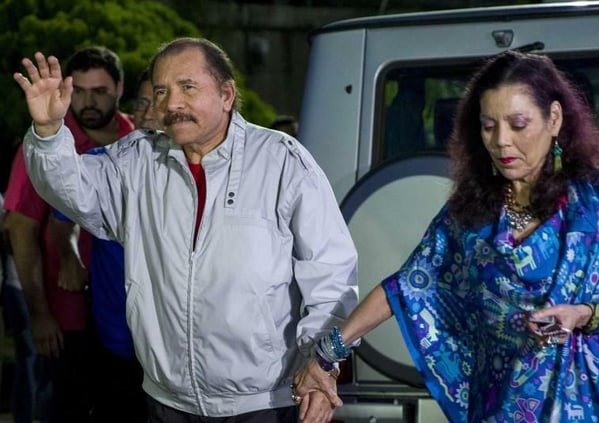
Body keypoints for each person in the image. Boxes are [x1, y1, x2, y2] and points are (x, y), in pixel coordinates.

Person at [14, 37, 359, 423]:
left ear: (226, 94)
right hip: (167, 401)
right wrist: (48, 131)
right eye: (162, 91)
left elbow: (331, 274)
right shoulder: (138, 159)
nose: (172, 103)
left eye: (188, 87)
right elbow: (71, 190)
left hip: (264, 403)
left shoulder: (282, 161)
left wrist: (322, 363)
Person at [293, 50, 599, 422]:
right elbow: (407, 286)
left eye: (518, 124)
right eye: (488, 126)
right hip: (501, 406)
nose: (501, 140)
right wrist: (326, 353)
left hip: (592, 403)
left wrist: (582, 315)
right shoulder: (470, 214)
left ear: (554, 119)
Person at [4, 45, 135, 423]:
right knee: (66, 405)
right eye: (79, 91)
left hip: (130, 315)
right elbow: (20, 228)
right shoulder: (43, 141)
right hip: (68, 313)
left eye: (100, 91)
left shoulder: (138, 137)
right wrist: (40, 314)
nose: (88, 102)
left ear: (119, 88)